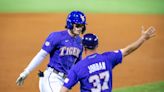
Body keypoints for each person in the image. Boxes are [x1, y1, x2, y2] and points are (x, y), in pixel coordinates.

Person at [60, 26, 156, 92]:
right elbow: (128, 50)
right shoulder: (108, 58)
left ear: (83, 47)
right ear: (97, 45)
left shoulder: (78, 67)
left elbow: (64, 90)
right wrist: (143, 38)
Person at [16, 10, 87, 92]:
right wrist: (26, 72)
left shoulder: (80, 42)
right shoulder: (57, 36)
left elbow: (78, 65)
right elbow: (42, 54)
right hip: (51, 78)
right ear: (70, 24)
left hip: (65, 82)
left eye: (82, 26)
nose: (80, 28)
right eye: (77, 26)